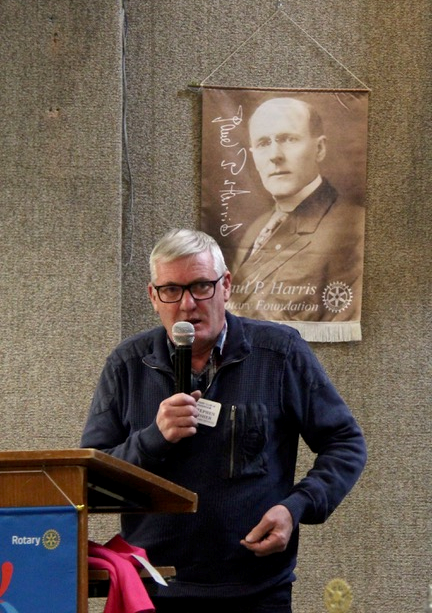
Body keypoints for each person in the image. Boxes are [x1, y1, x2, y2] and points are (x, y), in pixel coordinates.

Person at [80, 228, 367, 613]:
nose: (187, 304)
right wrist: (153, 438)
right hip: (154, 588)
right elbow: (90, 478)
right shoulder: (127, 365)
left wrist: (296, 507)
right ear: (153, 296)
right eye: (171, 290)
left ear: (226, 286)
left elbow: (345, 443)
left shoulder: (279, 354)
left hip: (256, 591)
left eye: (201, 286)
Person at [229, 97, 365, 323]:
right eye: (263, 143)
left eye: (289, 139)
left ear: (319, 149)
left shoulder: (353, 227)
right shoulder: (256, 229)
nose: (275, 155)